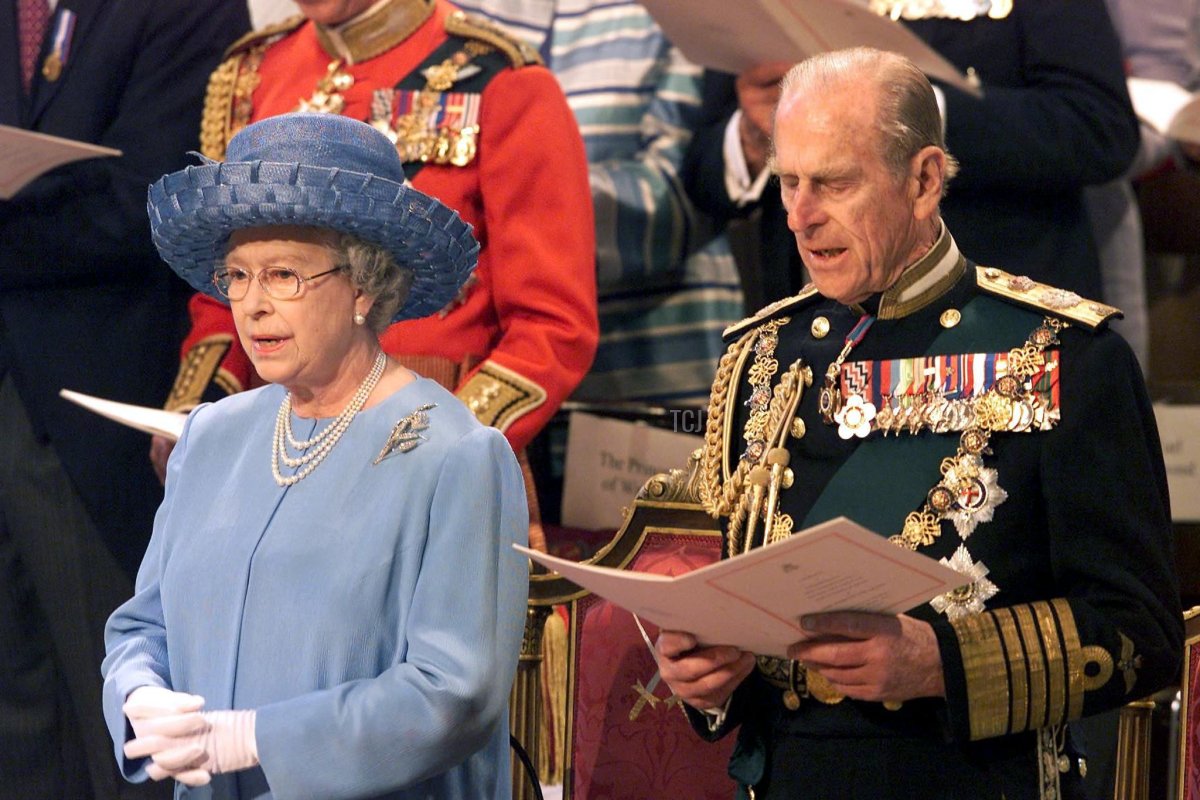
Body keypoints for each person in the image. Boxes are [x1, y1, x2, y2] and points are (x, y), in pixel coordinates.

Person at [655, 48, 1182, 800]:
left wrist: (943, 660)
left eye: (835, 182)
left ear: (926, 179)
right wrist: (708, 675)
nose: (802, 216)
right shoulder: (757, 357)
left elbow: (1142, 636)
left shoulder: (1065, 355)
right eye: (790, 182)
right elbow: (740, 616)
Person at [102, 113, 529, 798]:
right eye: (236, 276)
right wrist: (138, 696)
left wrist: (254, 739)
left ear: (362, 288)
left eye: (284, 275)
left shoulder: (456, 455)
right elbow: (141, 624)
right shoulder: (212, 436)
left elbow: (455, 695)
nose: (252, 306)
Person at [154, 0, 597, 481]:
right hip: (271, 446)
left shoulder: (498, 78)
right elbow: (227, 288)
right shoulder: (255, 71)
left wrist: (434, 445)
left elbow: (552, 327)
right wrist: (199, 410)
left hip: (429, 440)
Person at [0, 0, 249, 797]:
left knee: (125, 709)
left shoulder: (187, 9)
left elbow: (158, 205)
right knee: (16, 711)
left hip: (99, 399)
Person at [687, 0, 1139, 311]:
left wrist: (912, 112)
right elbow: (703, 173)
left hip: (995, 314)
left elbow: (1101, 128)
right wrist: (753, 135)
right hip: (814, 328)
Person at [453, 0, 743, 406]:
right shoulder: (433, 11)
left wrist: (509, 210)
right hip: (469, 373)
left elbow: (690, 191)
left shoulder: (676, 10)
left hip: (651, 374)